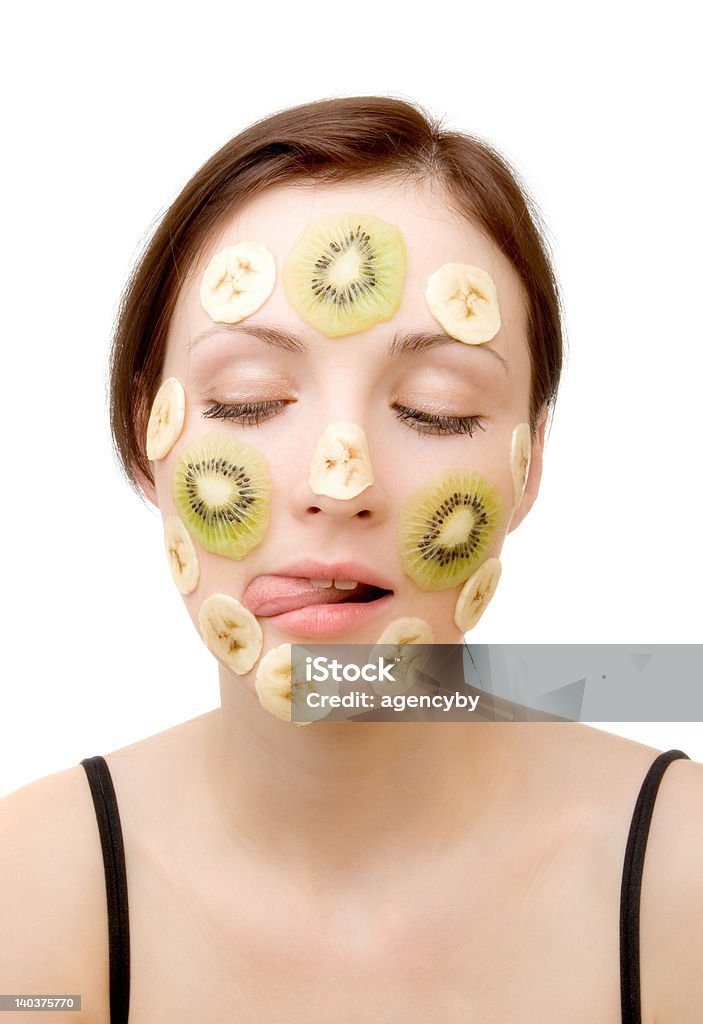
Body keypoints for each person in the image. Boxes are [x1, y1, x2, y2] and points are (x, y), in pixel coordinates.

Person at [1, 95, 701, 1023]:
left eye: (435, 409)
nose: (343, 482)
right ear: (146, 441)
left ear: (529, 465)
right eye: (249, 401)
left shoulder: (680, 878)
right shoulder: (28, 895)